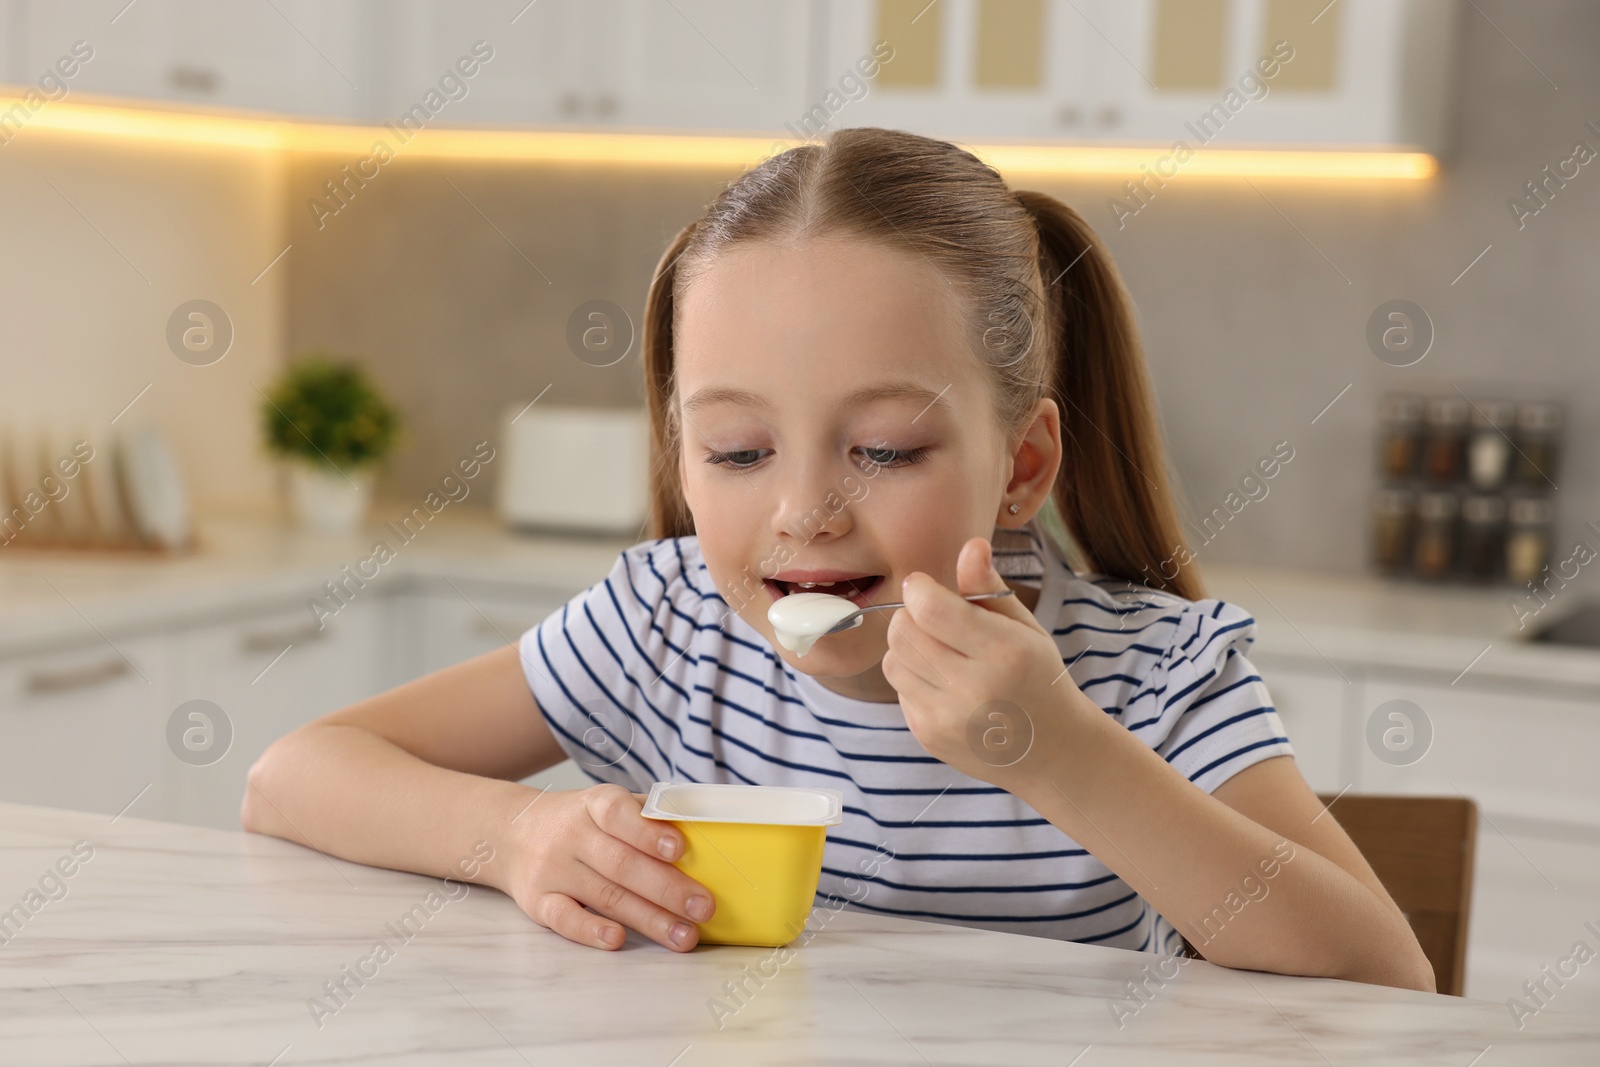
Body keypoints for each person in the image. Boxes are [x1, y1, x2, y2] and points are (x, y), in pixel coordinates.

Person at [244, 127, 1434, 991]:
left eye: (882, 447)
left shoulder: (1151, 673)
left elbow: (1384, 973)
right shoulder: (667, 627)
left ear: (1020, 465)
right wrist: (516, 838)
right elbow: (294, 774)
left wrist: (1062, 754)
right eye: (739, 448)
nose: (804, 510)